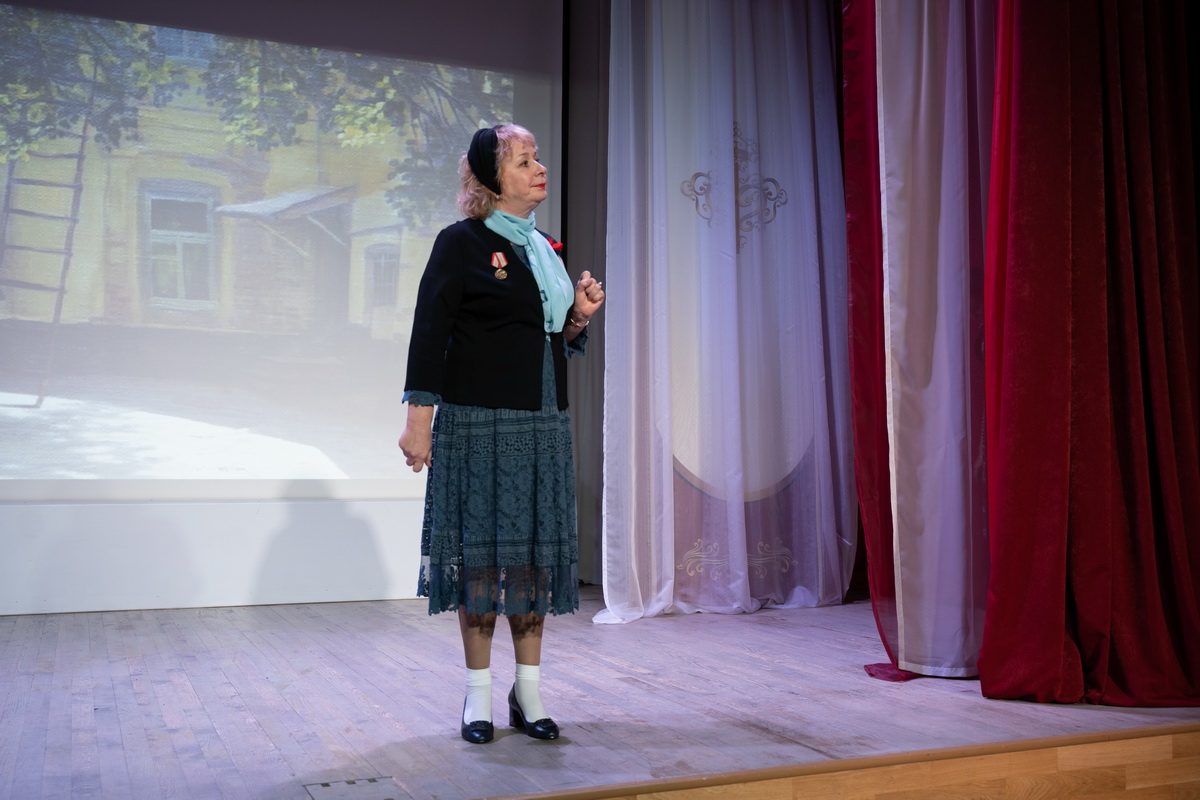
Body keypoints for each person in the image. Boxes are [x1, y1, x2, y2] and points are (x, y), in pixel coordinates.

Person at [398, 124, 604, 744]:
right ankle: (478, 696)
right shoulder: (460, 242)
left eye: (537, 158)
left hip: (542, 419)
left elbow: (546, 337)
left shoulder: (544, 247)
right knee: (483, 562)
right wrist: (418, 421)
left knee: (534, 560)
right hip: (478, 419)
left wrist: (578, 318)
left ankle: (529, 692)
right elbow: (429, 334)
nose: (539, 168)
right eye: (523, 161)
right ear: (491, 180)